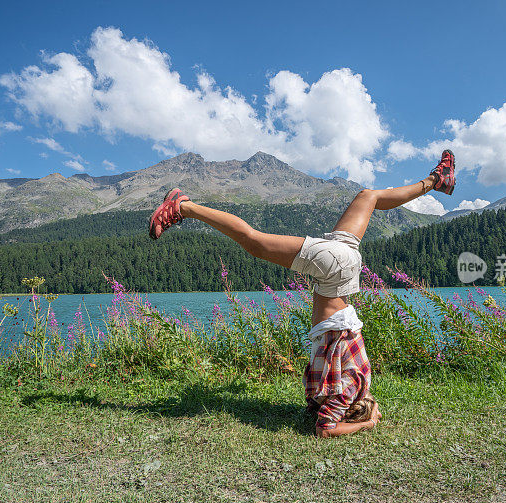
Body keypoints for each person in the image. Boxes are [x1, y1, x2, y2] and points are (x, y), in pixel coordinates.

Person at [149, 150, 456, 437]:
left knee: (369, 196)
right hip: (335, 270)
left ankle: (434, 181)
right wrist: (367, 424)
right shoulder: (346, 391)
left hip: (343, 268)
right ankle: (183, 207)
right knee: (254, 242)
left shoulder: (354, 382)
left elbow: (321, 408)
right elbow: (326, 429)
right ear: (348, 412)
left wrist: (365, 413)